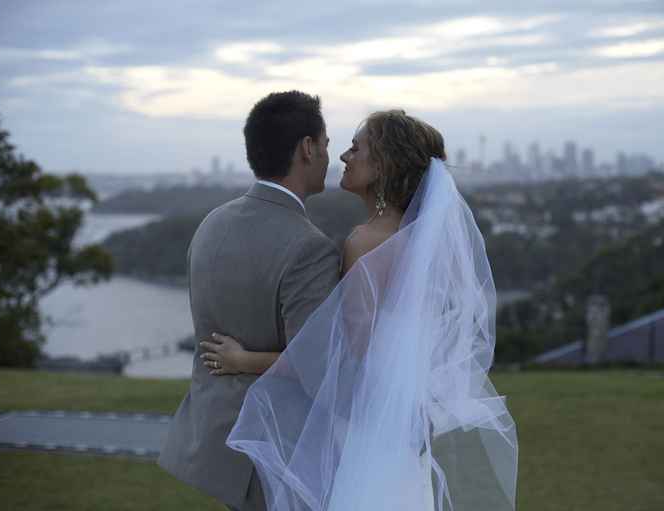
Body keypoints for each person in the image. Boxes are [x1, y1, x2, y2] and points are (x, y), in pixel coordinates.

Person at [203, 110, 518, 510]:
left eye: (356, 147)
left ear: (383, 164)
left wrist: (243, 360)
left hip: (365, 431)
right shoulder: (423, 242)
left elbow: (341, 361)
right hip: (402, 429)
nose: (344, 157)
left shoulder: (366, 243)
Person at [158, 91, 341, 511]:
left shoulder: (211, 224)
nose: (331, 156)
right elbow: (318, 367)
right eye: (327, 144)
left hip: (219, 444)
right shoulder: (309, 248)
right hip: (279, 451)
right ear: (308, 148)